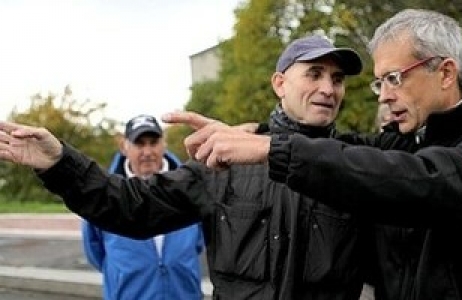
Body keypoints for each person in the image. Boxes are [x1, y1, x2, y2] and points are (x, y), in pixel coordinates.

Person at [161, 9, 462, 300]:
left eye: (394, 79)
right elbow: (348, 156)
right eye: (379, 82)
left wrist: (272, 146)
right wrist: (263, 135)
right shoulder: (403, 140)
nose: (383, 94)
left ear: (446, 73)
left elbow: (431, 182)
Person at [0, 35, 369, 300]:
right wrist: (59, 163)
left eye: (337, 79)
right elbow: (131, 207)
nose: (328, 88)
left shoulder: (359, 165)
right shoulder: (225, 160)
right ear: (280, 83)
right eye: (315, 73)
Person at [81, 114, 205, 300]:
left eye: (153, 142)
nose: (147, 152)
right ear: (124, 147)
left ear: (164, 144)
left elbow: (198, 243)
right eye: (139, 144)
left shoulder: (191, 190)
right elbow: (95, 252)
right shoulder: (104, 195)